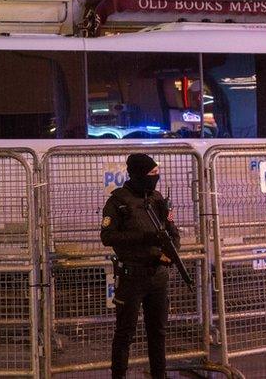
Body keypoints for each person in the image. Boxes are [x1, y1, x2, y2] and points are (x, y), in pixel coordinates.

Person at [100, 153, 181, 379]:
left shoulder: (156, 199)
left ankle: (159, 375)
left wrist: (171, 253)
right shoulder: (118, 201)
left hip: (158, 276)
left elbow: (173, 232)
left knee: (158, 332)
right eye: (152, 173)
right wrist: (145, 237)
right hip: (132, 277)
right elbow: (108, 236)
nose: (156, 177)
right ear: (138, 174)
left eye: (157, 173)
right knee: (125, 333)